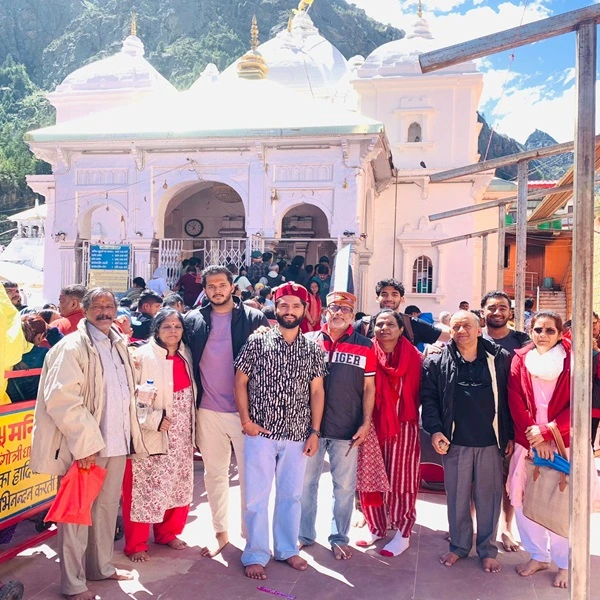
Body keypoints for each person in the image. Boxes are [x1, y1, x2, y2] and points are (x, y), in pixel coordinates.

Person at [30, 287, 145, 600]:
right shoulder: (72, 347)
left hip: (117, 443)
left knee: (106, 510)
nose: (105, 311)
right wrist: (85, 445)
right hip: (85, 449)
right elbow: (62, 399)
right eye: (98, 305)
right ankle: (74, 583)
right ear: (85, 308)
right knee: (76, 516)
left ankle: (101, 567)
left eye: (110, 305)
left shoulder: (117, 342)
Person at [234, 282, 327, 580]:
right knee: (256, 497)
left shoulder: (313, 347)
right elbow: (240, 382)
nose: (289, 310)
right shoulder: (256, 342)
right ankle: (256, 552)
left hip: (298, 435)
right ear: (275, 307)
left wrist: (315, 431)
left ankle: (287, 549)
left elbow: (317, 392)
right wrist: (246, 421)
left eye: (296, 305)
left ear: (305, 309)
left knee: (291, 495)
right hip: (260, 433)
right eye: (284, 305)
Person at [184, 265, 269, 557]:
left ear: (233, 287)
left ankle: (251, 536)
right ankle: (220, 532)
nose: (217, 290)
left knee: (251, 477)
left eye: (222, 285)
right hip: (207, 410)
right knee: (215, 475)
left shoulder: (254, 318)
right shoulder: (193, 320)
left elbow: (268, 363)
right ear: (205, 290)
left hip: (245, 413)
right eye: (211, 286)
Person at [421, 310, 513, 574]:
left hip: (490, 442)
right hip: (455, 443)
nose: (461, 331)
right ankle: (459, 546)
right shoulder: (437, 361)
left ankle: (487, 550)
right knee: (458, 498)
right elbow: (429, 400)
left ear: (479, 328)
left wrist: (510, 435)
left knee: (489, 497)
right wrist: (436, 431)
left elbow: (509, 398)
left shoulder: (499, 358)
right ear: (449, 330)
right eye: (456, 327)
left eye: (467, 326)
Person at [299, 291, 375, 560]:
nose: (339, 313)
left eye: (345, 310)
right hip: (311, 430)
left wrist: (366, 422)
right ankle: (304, 534)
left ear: (353, 315)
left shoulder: (366, 345)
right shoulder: (308, 341)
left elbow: (369, 387)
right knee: (306, 483)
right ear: (325, 312)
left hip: (347, 428)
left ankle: (339, 537)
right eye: (334, 308)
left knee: (343, 487)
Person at [122, 308, 196, 563]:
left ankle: (168, 533)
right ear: (156, 329)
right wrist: (154, 420)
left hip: (181, 433)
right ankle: (136, 544)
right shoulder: (142, 356)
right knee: (143, 489)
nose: (173, 331)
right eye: (167, 326)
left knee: (177, 482)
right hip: (151, 433)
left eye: (177, 326)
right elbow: (134, 397)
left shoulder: (186, 354)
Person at [506, 311, 572, 589]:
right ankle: (537, 555)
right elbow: (515, 399)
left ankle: (566, 564)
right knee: (522, 500)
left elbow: (579, 401)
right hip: (528, 440)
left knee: (559, 504)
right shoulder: (520, 358)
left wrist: (548, 433)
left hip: (562, 440)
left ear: (559, 334)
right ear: (529, 331)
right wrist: (535, 436)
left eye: (549, 330)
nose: (542, 335)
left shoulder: (571, 360)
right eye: (537, 329)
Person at [356, 310, 422, 556]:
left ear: (401, 329)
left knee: (402, 480)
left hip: (404, 425)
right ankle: (376, 527)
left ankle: (403, 532)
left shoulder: (414, 357)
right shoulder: (366, 352)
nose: (384, 328)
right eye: (379, 323)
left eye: (390, 324)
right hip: (370, 424)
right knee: (370, 476)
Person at [480, 290, 530, 553]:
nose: (496, 312)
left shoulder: (523, 344)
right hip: (475, 420)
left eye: (502, 307)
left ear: (510, 312)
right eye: (491, 308)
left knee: (507, 478)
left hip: (509, 422)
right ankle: (473, 525)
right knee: (473, 480)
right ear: (482, 312)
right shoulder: (471, 338)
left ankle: (505, 527)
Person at [357, 279, 450, 346]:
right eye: (384, 294)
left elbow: (449, 336)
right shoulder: (364, 325)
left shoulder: (412, 324)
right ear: (377, 299)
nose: (389, 298)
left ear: (402, 299)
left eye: (394, 294)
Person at [7, 314, 50, 402]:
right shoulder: (45, 354)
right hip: (39, 408)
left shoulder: (8, 353)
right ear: (40, 336)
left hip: (10, 411)